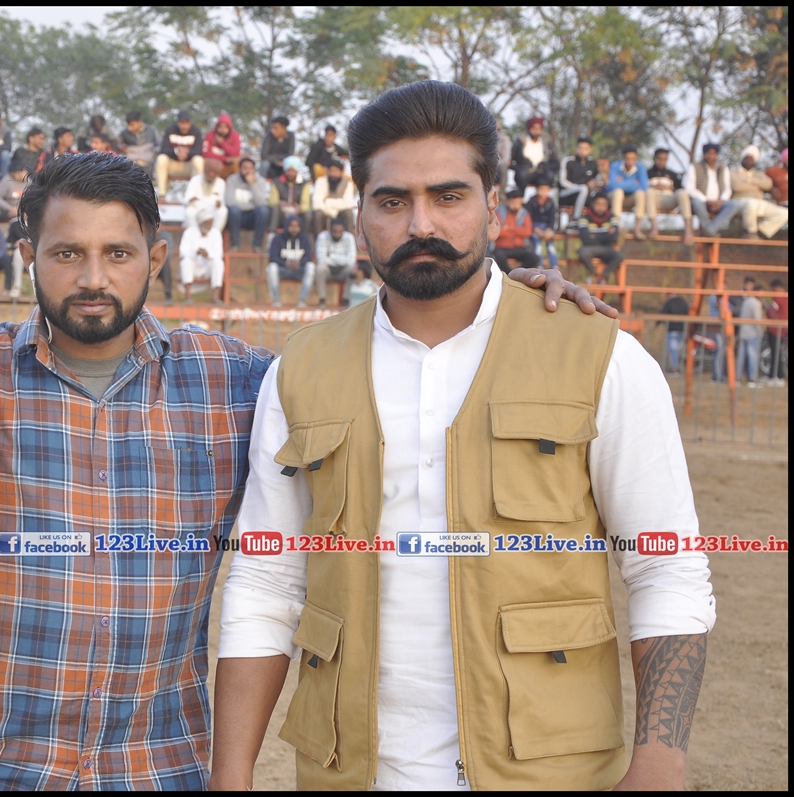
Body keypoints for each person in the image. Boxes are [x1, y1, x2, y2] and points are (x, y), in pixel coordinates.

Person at [0, 152, 614, 790]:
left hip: (164, 763)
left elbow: (391, 366)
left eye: (117, 252)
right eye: (66, 252)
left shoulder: (245, 383)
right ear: (28, 255)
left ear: (159, 256)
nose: (92, 277)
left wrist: (508, 297)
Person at [211, 80, 713, 793]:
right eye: (392, 201)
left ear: (494, 207)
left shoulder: (600, 356)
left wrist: (660, 763)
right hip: (347, 773)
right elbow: (266, 580)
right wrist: (230, 776)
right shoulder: (301, 368)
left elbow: (666, 567)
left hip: (550, 774)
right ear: (358, 217)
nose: (422, 222)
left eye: (448, 196)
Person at [684, 142, 746, 236]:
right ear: (704, 154)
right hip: (702, 202)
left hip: (719, 203)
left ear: (717, 155)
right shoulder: (694, 167)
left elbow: (727, 188)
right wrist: (706, 200)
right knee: (696, 203)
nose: (710, 156)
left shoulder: (723, 168)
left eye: (713, 153)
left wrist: (721, 201)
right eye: (708, 153)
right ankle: (710, 231)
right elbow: (689, 188)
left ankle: (709, 230)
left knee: (734, 204)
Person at [730, 144, 789, 240]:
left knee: (785, 213)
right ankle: (750, 232)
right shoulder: (733, 173)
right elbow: (737, 186)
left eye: (752, 159)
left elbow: (768, 184)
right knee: (751, 202)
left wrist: (748, 181)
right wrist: (758, 184)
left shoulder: (758, 174)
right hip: (740, 203)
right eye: (747, 158)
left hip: (760, 204)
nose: (749, 160)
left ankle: (761, 232)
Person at [647, 147, 695, 244]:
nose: (662, 162)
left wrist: (671, 188)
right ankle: (654, 228)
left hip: (668, 200)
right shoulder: (647, 173)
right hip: (653, 201)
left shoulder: (672, 174)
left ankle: (688, 230)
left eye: (665, 159)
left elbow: (680, 188)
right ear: (654, 159)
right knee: (649, 191)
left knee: (682, 193)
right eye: (659, 159)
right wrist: (653, 186)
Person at [266, 214, 315, 308]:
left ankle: (302, 301)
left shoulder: (305, 239)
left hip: (299, 270)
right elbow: (273, 257)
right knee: (271, 267)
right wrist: (285, 264)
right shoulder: (277, 238)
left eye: (297, 226)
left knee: (311, 266)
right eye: (291, 226)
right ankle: (276, 301)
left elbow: (308, 257)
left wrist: (299, 263)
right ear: (286, 226)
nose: (294, 229)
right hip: (283, 270)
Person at [179, 206, 225, 303]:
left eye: (211, 223)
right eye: (207, 223)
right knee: (186, 262)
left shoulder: (216, 233)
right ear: (201, 223)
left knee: (218, 262)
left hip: (207, 266)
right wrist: (196, 252)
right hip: (194, 265)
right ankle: (188, 297)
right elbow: (183, 252)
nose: (210, 225)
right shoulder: (189, 232)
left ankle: (215, 297)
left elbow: (219, 253)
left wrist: (208, 254)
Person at [225, 157, 270, 251]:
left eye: (250, 168)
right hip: (236, 216)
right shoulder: (232, 180)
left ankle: (257, 245)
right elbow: (230, 201)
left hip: (253, 216)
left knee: (263, 210)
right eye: (245, 168)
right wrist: (251, 205)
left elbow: (261, 202)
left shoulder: (261, 181)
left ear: (254, 170)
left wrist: (252, 185)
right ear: (240, 169)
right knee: (234, 210)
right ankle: (235, 245)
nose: (248, 171)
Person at [578, 192, 624, 282]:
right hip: (589, 248)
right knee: (582, 253)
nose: (601, 207)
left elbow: (614, 237)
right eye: (598, 204)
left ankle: (603, 276)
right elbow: (585, 238)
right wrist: (606, 234)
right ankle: (595, 274)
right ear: (593, 204)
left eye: (604, 204)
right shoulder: (584, 218)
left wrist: (593, 236)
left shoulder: (612, 217)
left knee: (619, 256)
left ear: (607, 205)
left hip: (607, 248)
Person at [155, 110, 204, 194]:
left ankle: (196, 194)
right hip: (172, 166)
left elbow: (198, 151)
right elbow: (163, 149)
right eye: (182, 123)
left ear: (190, 123)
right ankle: (161, 194)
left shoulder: (196, 131)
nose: (184, 126)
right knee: (161, 158)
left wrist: (187, 152)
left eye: (187, 123)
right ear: (177, 123)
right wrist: (176, 151)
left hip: (188, 167)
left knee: (198, 160)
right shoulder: (170, 129)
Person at [607, 144, 649, 239]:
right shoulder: (615, 166)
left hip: (631, 198)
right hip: (614, 198)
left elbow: (643, 186)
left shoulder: (641, 167)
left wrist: (622, 183)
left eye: (633, 159)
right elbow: (613, 185)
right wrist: (634, 182)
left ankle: (637, 228)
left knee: (640, 193)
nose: (630, 162)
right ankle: (617, 225)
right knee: (618, 192)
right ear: (623, 157)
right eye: (627, 159)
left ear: (636, 158)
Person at [492, 188, 539, 272]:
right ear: (508, 201)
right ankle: (509, 273)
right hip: (502, 247)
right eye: (514, 202)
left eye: (518, 202)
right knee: (497, 256)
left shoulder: (524, 213)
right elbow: (497, 231)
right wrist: (519, 230)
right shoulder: (499, 212)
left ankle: (518, 272)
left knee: (534, 258)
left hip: (519, 247)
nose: (516, 205)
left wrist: (510, 228)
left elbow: (527, 232)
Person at [314, 217, 357, 307]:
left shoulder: (349, 237)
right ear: (330, 230)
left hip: (343, 270)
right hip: (328, 270)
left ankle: (346, 299)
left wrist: (332, 256)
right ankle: (322, 300)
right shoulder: (322, 236)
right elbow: (321, 259)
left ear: (343, 230)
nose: (337, 234)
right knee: (320, 268)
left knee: (353, 269)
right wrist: (343, 259)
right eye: (334, 231)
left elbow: (351, 260)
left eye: (340, 232)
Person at [559, 136, 601, 223]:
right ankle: (576, 219)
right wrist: (578, 187)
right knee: (583, 188)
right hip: (567, 193)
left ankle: (598, 223)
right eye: (580, 148)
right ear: (576, 148)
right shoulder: (568, 161)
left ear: (590, 150)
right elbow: (562, 181)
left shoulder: (593, 163)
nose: (582, 151)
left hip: (586, 195)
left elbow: (599, 179)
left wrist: (595, 182)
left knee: (601, 196)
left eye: (585, 148)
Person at [509, 115, 559, 190]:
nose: (537, 131)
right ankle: (521, 195)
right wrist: (518, 167)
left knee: (549, 175)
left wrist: (547, 167)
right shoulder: (521, 139)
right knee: (521, 175)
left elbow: (555, 159)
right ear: (529, 128)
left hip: (542, 170)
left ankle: (542, 197)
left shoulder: (546, 140)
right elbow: (511, 157)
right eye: (534, 128)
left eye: (539, 128)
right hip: (525, 170)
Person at [310, 159, 356, 235]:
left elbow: (347, 203)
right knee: (317, 214)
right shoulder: (320, 181)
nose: (333, 174)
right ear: (327, 171)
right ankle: (318, 239)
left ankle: (348, 238)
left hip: (340, 214)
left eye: (336, 171)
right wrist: (332, 211)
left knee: (348, 213)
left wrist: (327, 202)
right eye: (331, 171)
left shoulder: (348, 183)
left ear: (341, 172)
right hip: (324, 213)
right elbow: (317, 203)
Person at [183, 157, 228, 232]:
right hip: (198, 209)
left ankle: (214, 235)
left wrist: (219, 204)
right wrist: (190, 200)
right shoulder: (195, 180)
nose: (211, 174)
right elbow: (186, 199)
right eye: (210, 171)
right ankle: (194, 234)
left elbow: (222, 202)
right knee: (189, 211)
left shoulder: (221, 183)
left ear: (217, 173)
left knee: (223, 211)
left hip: (212, 210)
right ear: (205, 170)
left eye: (214, 172)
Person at [271, 156, 311, 233]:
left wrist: (300, 208)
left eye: (293, 171)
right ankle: (271, 234)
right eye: (288, 170)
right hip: (282, 213)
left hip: (297, 214)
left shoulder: (304, 184)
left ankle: (304, 236)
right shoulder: (277, 182)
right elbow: (271, 201)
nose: (290, 173)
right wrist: (279, 203)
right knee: (275, 208)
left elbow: (306, 204)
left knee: (307, 214)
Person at [524, 178, 558, 268]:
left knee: (551, 247)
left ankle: (554, 265)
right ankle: (539, 265)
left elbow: (552, 218)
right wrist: (535, 229)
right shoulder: (531, 202)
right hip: (535, 227)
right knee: (537, 247)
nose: (544, 192)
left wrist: (549, 229)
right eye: (541, 189)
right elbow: (528, 218)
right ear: (537, 189)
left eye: (546, 189)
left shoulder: (551, 202)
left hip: (547, 227)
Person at [736, 276, 764, 386]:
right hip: (752, 333)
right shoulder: (756, 303)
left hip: (743, 332)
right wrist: (760, 332)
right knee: (753, 357)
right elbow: (757, 319)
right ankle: (752, 379)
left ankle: (737, 378)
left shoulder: (747, 301)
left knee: (741, 357)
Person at [763, 278, 787, 384]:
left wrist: (766, 308)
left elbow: (771, 311)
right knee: (776, 353)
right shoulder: (785, 297)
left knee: (775, 354)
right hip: (781, 329)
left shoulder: (779, 298)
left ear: (777, 287)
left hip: (775, 329)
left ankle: (777, 376)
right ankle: (772, 375)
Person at [660, 292, 690, 373]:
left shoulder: (669, 302)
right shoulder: (683, 302)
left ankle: (674, 368)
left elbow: (663, 313)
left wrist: (657, 323)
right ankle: (680, 367)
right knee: (679, 350)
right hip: (682, 329)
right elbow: (688, 312)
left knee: (673, 350)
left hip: (672, 329)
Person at [260, 116, 297, 181]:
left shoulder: (291, 136)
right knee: (264, 164)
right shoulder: (269, 135)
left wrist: (274, 157)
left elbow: (290, 154)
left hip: (284, 163)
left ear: (284, 128)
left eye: (276, 128)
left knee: (293, 164)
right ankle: (262, 182)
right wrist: (277, 162)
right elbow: (264, 155)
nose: (273, 131)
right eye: (272, 128)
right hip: (271, 163)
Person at [495, 118, 511, 195]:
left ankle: (502, 194)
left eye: (498, 129)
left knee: (503, 167)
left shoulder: (505, 139)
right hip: (489, 165)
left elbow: (506, 157)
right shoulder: (485, 139)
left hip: (500, 165)